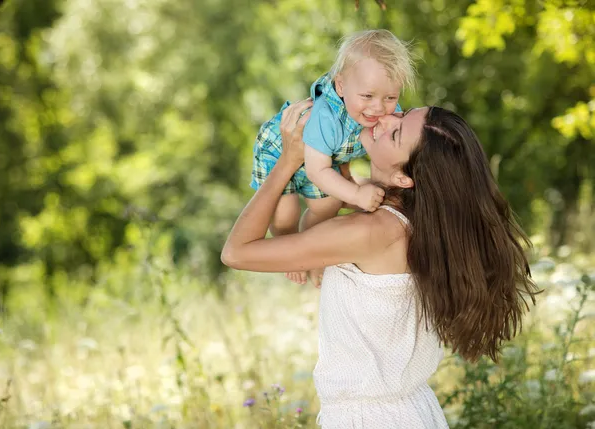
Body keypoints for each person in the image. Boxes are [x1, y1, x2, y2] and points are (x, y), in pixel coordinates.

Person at [223, 100, 537, 428]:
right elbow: (323, 204)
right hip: (409, 412)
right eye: (401, 112)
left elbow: (236, 252)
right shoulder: (413, 221)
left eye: (396, 133)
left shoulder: (372, 231)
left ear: (403, 178)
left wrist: (286, 162)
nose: (386, 117)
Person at [250, 29, 415, 285]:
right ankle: (288, 247)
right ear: (341, 86)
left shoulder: (387, 115)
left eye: (390, 97)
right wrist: (356, 194)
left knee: (327, 206)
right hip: (281, 151)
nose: (378, 108)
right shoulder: (326, 117)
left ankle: (313, 250)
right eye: (367, 96)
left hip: (321, 158)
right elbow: (318, 171)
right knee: (286, 212)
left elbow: (383, 147)